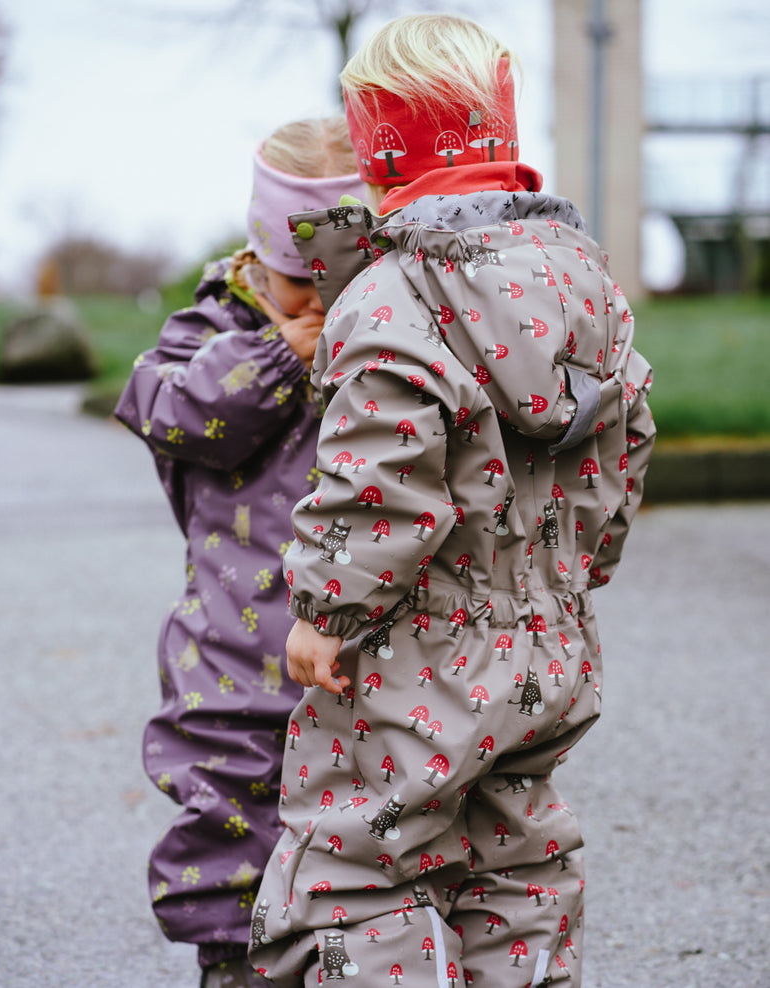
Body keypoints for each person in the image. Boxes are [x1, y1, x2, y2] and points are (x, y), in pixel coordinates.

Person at [247, 14, 656, 988]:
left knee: (357, 857)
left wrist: (324, 611)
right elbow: (625, 434)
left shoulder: (390, 298)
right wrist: (575, 568)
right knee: (516, 853)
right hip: (547, 644)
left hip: (414, 659)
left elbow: (378, 482)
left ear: (382, 166)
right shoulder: (583, 283)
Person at [114, 117, 367, 988]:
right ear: (261, 263)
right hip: (231, 652)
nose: (320, 304)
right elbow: (172, 409)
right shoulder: (217, 326)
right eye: (300, 283)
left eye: (344, 280)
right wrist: (274, 357)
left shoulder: (379, 332)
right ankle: (235, 965)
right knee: (231, 827)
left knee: (357, 838)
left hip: (350, 653)